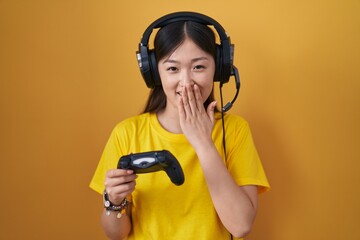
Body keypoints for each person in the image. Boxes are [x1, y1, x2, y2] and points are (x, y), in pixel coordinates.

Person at [90, 11, 270, 240]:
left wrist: (203, 142)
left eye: (198, 67)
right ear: (155, 73)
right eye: (173, 68)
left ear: (219, 68)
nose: (186, 83)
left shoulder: (234, 131)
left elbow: (241, 225)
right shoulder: (126, 134)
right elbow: (116, 235)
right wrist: (113, 202)